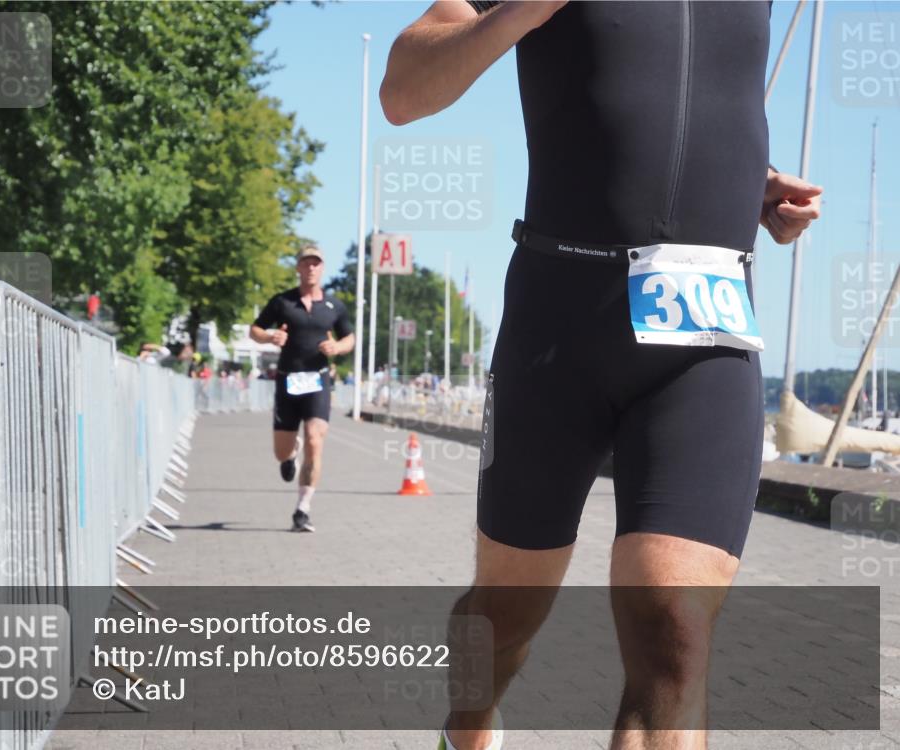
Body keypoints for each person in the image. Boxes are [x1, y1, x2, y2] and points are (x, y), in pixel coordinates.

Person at [380, 3, 822, 749]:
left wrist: (753, 180)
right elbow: (403, 91)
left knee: (673, 627)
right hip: (558, 328)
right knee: (503, 618)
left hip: (705, 325)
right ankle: (468, 727)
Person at [250, 245, 355, 532]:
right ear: (298, 267)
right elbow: (254, 330)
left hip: (318, 381)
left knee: (314, 439)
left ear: (322, 268)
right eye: (306, 263)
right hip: (288, 381)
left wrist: (337, 347)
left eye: (315, 263)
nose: (311, 268)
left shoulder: (334, 306)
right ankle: (290, 456)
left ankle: (302, 509)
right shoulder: (282, 302)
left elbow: (350, 338)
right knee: (281, 452)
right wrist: (271, 337)